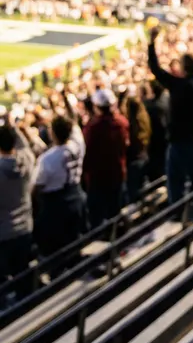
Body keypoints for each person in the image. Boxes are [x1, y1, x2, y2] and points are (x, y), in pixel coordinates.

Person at [148, 26, 193, 219]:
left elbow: (156, 69)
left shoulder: (178, 84)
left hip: (179, 141)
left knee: (175, 181)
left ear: (183, 67)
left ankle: (177, 216)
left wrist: (151, 43)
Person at [32, 106, 87, 263]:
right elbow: (74, 125)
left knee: (58, 249)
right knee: (74, 241)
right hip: (77, 196)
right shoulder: (78, 144)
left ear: (53, 133)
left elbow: (36, 187)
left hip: (56, 205)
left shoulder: (48, 158)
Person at [83, 89, 129, 228]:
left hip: (99, 178)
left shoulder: (93, 127)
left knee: (97, 214)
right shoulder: (121, 122)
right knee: (114, 210)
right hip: (117, 172)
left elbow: (87, 151)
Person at [0, 118, 35, 298]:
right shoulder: (27, 159)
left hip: (4, 233)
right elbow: (24, 144)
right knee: (23, 273)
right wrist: (12, 126)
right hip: (25, 228)